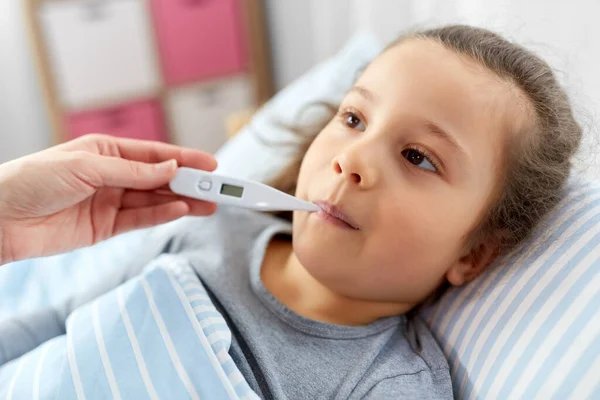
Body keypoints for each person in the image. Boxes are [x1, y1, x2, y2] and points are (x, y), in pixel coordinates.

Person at [0, 25, 582, 399]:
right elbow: (55, 326)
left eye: (417, 157)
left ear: (473, 252)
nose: (351, 159)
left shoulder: (386, 385)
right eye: (354, 119)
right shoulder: (213, 222)